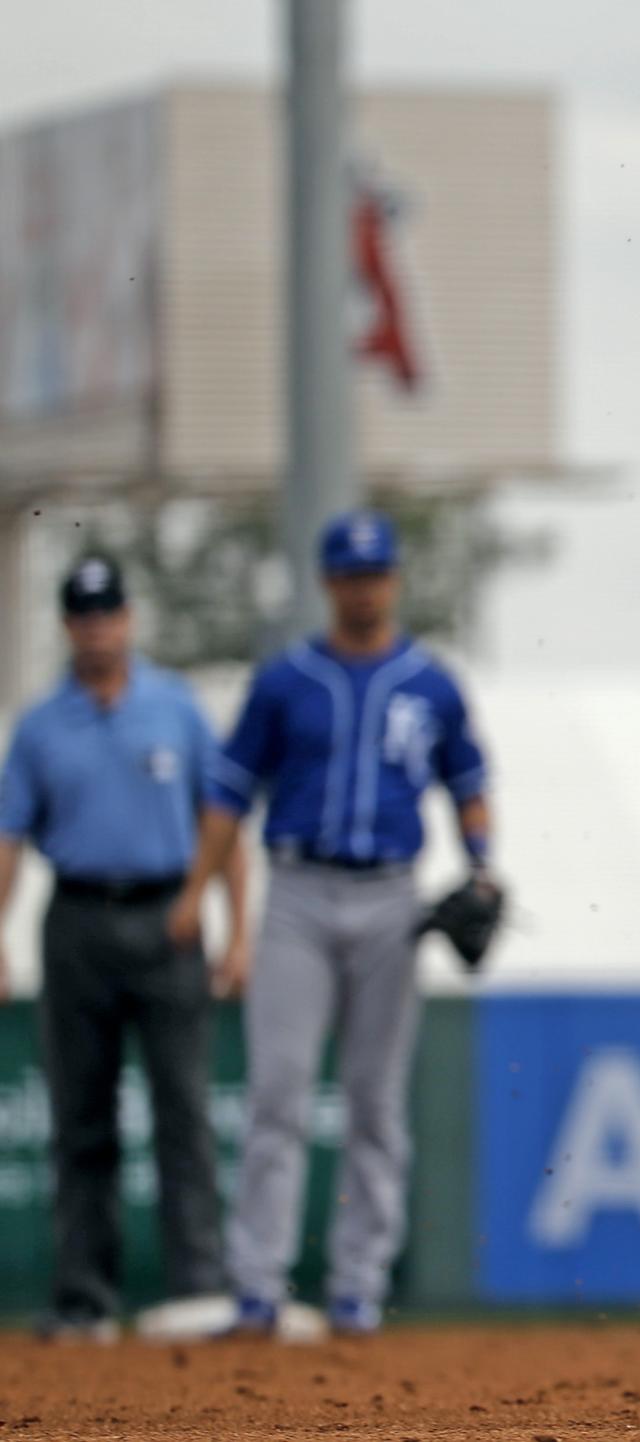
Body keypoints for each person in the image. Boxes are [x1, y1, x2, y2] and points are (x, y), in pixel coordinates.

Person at [168, 509, 492, 1336]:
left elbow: (468, 780)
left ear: (393, 580)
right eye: (349, 575)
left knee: (376, 1102)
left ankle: (357, 1287)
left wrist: (481, 864)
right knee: (277, 1091)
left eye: (374, 573)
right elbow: (229, 795)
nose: (363, 588)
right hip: (300, 892)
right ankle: (258, 1288)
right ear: (327, 583)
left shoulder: (431, 681)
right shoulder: (285, 680)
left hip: (391, 896)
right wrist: (197, 891)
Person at [0, 555, 249, 1340]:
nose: (99, 627)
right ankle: (85, 1300)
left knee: (183, 1111)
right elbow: (8, 837)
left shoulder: (174, 707)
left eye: (110, 613)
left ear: (129, 618)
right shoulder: (40, 725)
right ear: (69, 625)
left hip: (168, 917)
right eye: (85, 615)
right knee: (82, 1120)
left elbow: (223, 821)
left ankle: (200, 1291)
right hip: (77, 919)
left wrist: (235, 927)